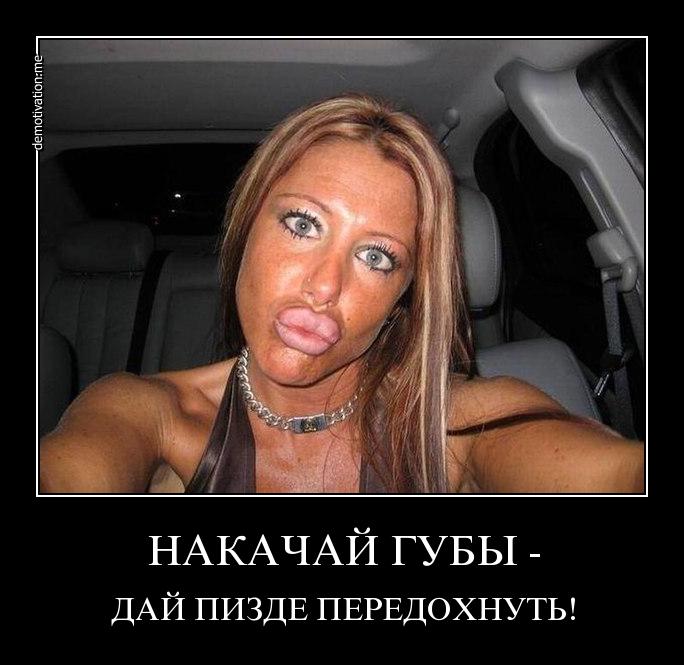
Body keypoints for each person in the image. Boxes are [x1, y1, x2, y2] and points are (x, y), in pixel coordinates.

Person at [39, 92, 645, 494]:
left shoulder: (460, 422)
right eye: (303, 225)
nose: (325, 287)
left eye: (376, 257)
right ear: (246, 227)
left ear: (405, 295)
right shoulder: (144, 412)